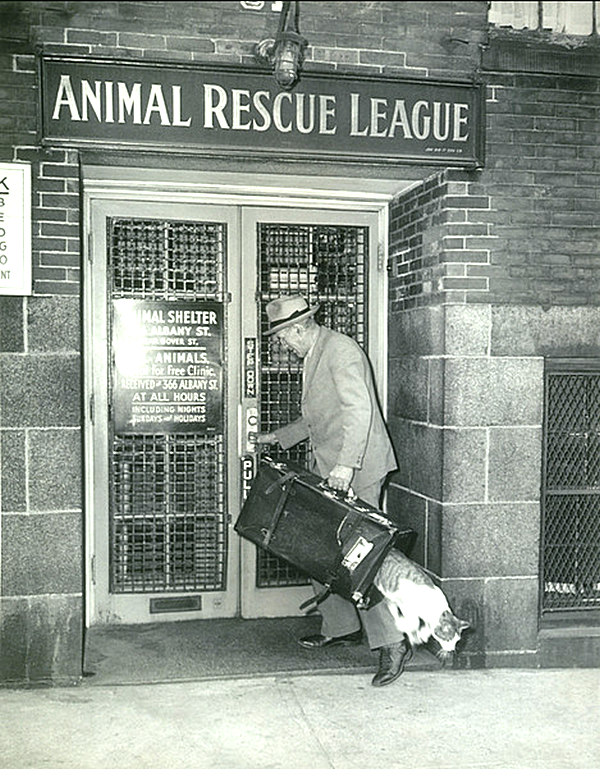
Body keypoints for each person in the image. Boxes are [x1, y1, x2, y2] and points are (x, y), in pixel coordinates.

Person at [256, 294, 411, 687]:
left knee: (361, 558)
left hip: (357, 468)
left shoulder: (340, 350)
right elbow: (316, 418)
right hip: (333, 468)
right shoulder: (315, 353)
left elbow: (359, 412)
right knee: (318, 547)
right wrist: (278, 437)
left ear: (298, 328)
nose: (282, 345)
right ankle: (341, 627)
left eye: (283, 337)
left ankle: (393, 643)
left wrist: (346, 465)